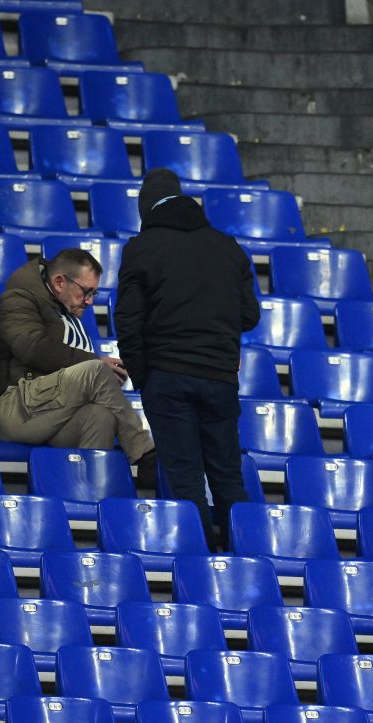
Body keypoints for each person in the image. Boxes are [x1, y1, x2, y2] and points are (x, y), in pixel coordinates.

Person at [115, 168, 260, 549]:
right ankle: (242, 560)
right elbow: (250, 315)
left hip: (167, 377)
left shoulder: (141, 248)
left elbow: (128, 320)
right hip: (220, 376)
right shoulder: (227, 246)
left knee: (185, 477)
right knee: (228, 476)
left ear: (146, 209)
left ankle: (198, 565)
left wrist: (142, 375)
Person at [0, 247, 156, 480]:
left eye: (94, 293)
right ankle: (144, 453)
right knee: (95, 371)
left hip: (46, 411)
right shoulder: (17, 299)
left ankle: (89, 500)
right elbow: (33, 347)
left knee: (100, 416)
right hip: (10, 408)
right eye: (86, 291)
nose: (91, 301)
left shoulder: (67, 310)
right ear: (60, 282)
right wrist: (95, 365)